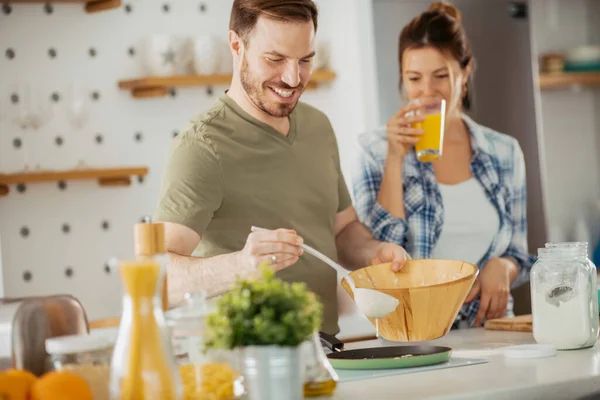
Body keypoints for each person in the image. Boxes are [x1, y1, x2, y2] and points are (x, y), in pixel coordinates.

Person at [153, 0, 409, 335]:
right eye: (275, 59)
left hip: (327, 352)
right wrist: (241, 265)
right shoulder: (202, 146)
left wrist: (372, 252)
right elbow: (158, 277)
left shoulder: (318, 127)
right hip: (245, 363)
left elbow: (342, 229)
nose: (292, 78)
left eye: (305, 60)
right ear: (236, 46)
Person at [353, 1, 535, 328]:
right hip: (413, 334)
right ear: (402, 80)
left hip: (492, 333)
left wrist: (502, 267)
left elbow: (519, 254)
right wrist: (396, 157)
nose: (426, 91)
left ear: (464, 74)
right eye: (414, 78)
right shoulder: (375, 151)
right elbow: (381, 258)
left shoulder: (504, 152)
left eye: (441, 76)